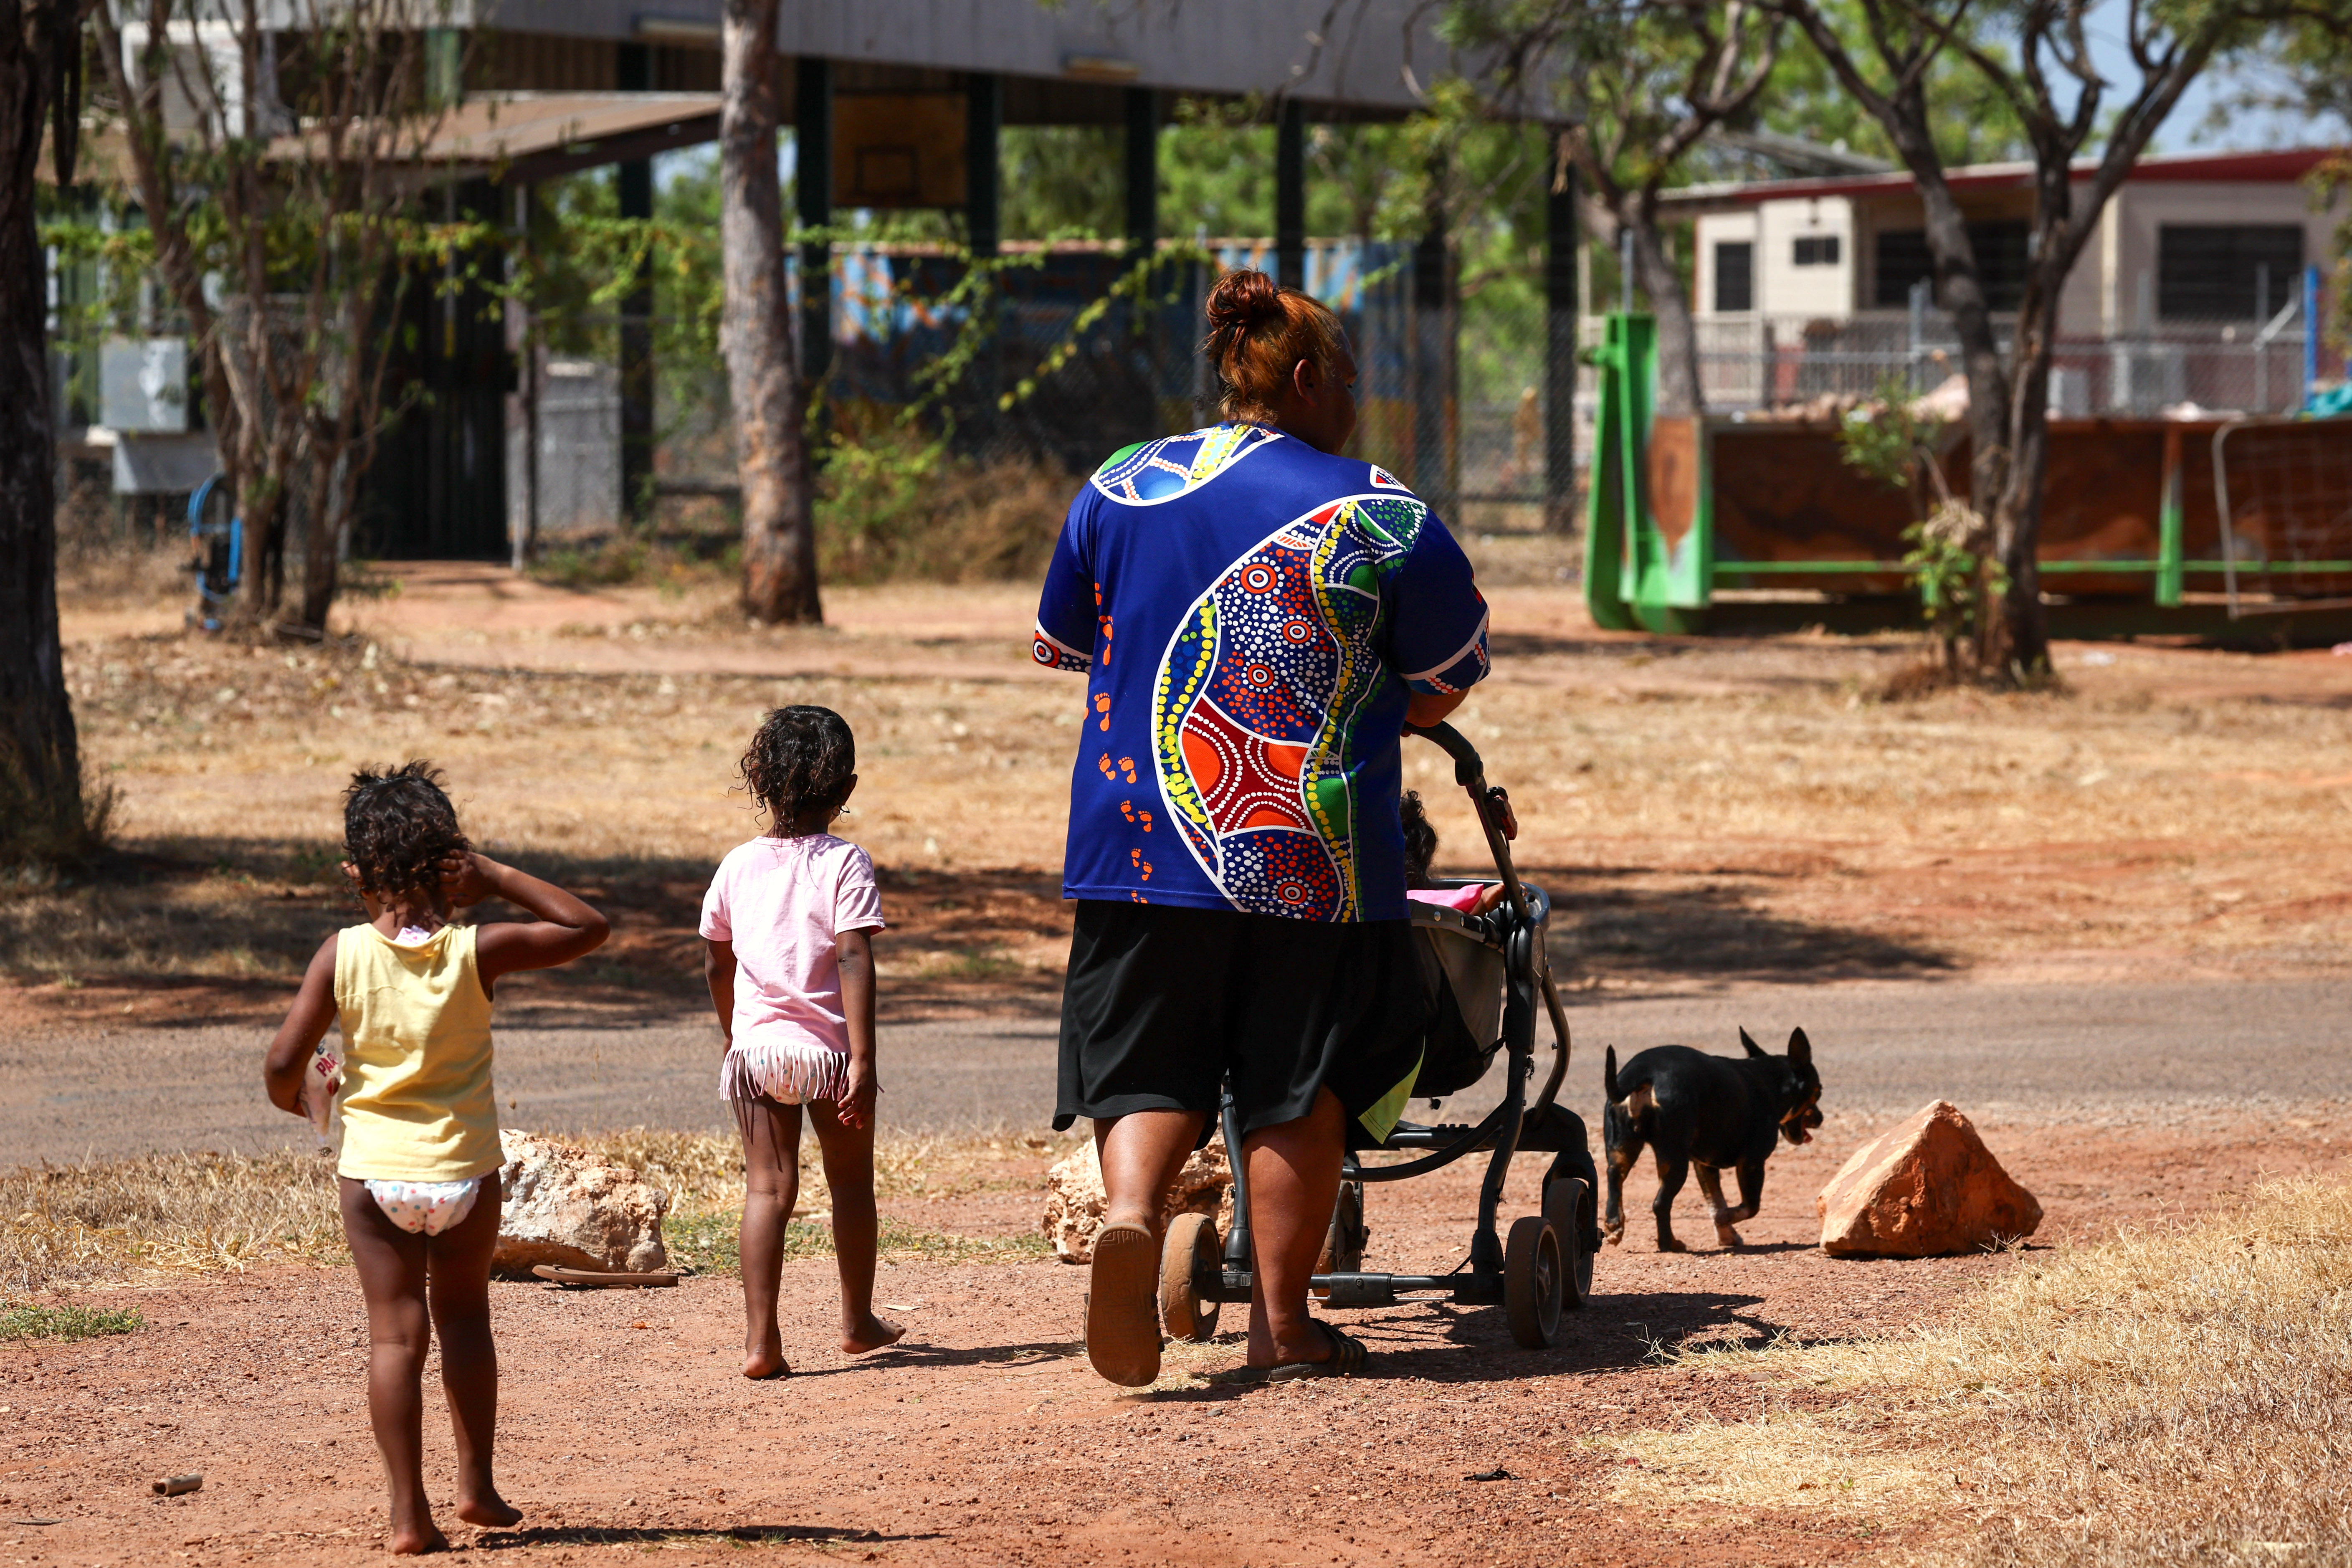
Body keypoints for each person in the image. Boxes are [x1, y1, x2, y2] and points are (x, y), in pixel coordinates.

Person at [1033, 267, 1492, 1385]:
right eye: (1348, 377)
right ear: (1303, 378)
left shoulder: (1119, 485)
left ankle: (1135, 1211)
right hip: (1312, 859)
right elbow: (1442, 682)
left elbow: (1068, 642)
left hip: (1136, 845)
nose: (1356, 399)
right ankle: (1282, 1325)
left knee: (1147, 1058)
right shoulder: (1379, 510)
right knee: (1300, 1082)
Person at [262, 762, 609, 1555]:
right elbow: (588, 928)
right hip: (463, 1174)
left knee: (395, 1340)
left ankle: (407, 1517)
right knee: (464, 1320)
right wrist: (498, 876)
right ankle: (478, 1486)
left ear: (355, 875)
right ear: (453, 864)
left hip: (375, 1175)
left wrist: (299, 1096)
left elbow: (284, 1062)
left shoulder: (340, 955)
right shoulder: (474, 951)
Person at [700, 704, 901, 1380]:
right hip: (827, 1052)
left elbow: (714, 959)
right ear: (846, 790)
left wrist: (735, 1032)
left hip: (757, 1053)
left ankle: (762, 1344)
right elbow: (852, 957)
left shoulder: (736, 866)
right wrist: (864, 1058)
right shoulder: (845, 863)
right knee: (849, 1186)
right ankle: (856, 1322)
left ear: (758, 780)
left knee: (768, 1192)